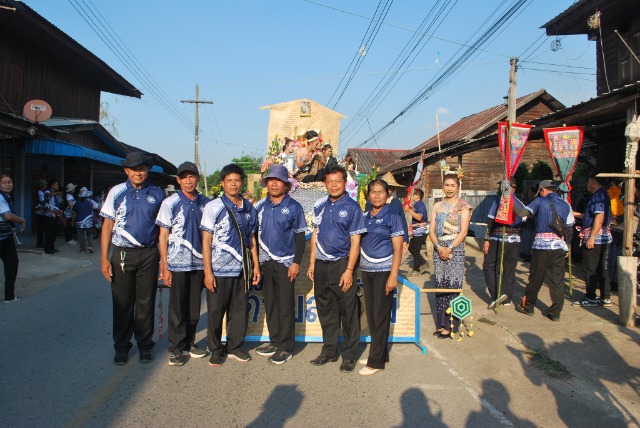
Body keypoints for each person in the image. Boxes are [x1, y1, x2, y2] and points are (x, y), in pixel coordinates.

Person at [100, 152, 164, 365]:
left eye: (142, 168)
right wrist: (104, 258)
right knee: (122, 303)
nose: (138, 172)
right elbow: (107, 226)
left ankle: (145, 345)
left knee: (146, 302)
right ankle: (121, 347)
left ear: (147, 170)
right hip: (122, 253)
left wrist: (164, 261)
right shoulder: (116, 192)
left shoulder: (157, 193)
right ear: (126, 171)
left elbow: (163, 230)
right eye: (134, 169)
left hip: (149, 254)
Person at [200, 163, 261, 367]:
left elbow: (251, 238)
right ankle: (216, 349)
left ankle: (235, 347)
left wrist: (256, 266)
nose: (233, 184)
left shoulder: (249, 207)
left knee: (239, 311)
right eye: (229, 181)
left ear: (242, 183)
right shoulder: (213, 207)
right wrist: (207, 272)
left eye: (237, 180)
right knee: (216, 312)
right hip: (218, 270)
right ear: (223, 183)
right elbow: (206, 241)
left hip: (242, 270)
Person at [307, 165, 366, 373]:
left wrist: (349, 270)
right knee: (326, 310)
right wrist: (312, 262)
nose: (333, 185)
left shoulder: (352, 207)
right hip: (321, 265)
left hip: (342, 264)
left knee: (348, 311)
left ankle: (349, 355)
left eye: (337, 181)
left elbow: (356, 241)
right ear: (325, 183)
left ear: (345, 183)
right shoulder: (320, 205)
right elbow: (315, 234)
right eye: (330, 181)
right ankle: (329, 351)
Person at [156, 161, 209, 366]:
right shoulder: (170, 203)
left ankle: (189, 342)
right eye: (184, 177)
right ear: (178, 180)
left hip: (199, 264)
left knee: (194, 306)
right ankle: (176, 347)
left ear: (197, 178)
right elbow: (163, 236)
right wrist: (165, 265)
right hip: (177, 263)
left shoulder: (206, 203)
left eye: (192, 176)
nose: (188, 180)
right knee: (178, 306)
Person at [254, 164, 306, 365]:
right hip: (266, 262)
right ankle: (275, 341)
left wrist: (296, 262)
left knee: (285, 306)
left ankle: (286, 347)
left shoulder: (294, 207)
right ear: (266, 183)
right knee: (271, 303)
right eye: (271, 180)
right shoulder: (260, 206)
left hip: (285, 263)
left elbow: (300, 237)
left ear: (286, 185)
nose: (274, 184)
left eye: (278, 181)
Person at [359, 179, 403, 376]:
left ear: (387, 195)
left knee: (380, 315)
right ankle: (380, 354)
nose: (376, 196)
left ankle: (375, 362)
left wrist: (393, 275)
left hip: (384, 272)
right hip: (367, 271)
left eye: (380, 192)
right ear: (368, 195)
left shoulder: (393, 217)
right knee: (371, 315)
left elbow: (398, 249)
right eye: (373, 192)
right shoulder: (364, 216)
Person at [513, 180, 574, 321]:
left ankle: (528, 306)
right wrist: (567, 246)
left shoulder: (540, 201)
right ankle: (555, 313)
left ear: (543, 190)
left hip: (541, 247)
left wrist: (509, 201)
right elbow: (570, 228)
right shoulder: (566, 204)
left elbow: (521, 213)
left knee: (536, 278)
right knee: (557, 281)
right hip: (559, 246)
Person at [428, 173, 472, 338]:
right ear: (442, 187)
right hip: (439, 249)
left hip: (456, 249)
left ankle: (451, 325)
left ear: (458, 188)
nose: (449, 188)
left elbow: (464, 231)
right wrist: (439, 247)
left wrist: (450, 248)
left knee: (453, 285)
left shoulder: (463, 207)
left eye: (453, 185)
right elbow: (432, 230)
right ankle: (441, 323)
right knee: (440, 284)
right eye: (447, 185)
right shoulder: (437, 206)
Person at [482, 177, 525, 309]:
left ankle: (500, 295)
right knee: (505, 268)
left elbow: (491, 221)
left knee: (491, 265)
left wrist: (487, 238)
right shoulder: (518, 203)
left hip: (502, 238)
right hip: (507, 239)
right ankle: (502, 296)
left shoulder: (501, 201)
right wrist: (487, 239)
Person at [572, 174, 612, 307]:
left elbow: (599, 218)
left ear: (593, 181)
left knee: (589, 268)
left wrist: (592, 237)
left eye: (588, 181)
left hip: (596, 237)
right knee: (600, 267)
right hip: (601, 236)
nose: (587, 183)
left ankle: (590, 297)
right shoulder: (601, 195)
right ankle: (605, 296)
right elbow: (589, 216)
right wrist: (574, 213)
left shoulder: (598, 196)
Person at [0, 175, 26, 302]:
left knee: (12, 263)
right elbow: (8, 216)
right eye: (4, 182)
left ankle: (9, 296)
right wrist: (22, 220)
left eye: (9, 182)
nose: (7, 185)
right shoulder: (0, 197)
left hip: (6, 236)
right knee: (11, 264)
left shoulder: (7, 197)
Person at [405, 188, 428, 273]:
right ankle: (423, 263)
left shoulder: (420, 204)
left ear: (418, 196)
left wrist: (409, 211)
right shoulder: (417, 204)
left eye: (414, 194)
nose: (413, 196)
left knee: (415, 250)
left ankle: (417, 269)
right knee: (411, 248)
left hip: (420, 230)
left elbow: (419, 217)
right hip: (416, 230)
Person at [73, 187, 98, 254]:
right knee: (89, 234)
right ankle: (90, 246)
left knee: (80, 235)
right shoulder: (90, 201)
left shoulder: (77, 202)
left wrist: (72, 221)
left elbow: (74, 212)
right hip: (89, 221)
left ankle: (82, 249)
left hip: (79, 221)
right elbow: (97, 207)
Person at [43, 178, 62, 255]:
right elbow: (47, 195)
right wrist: (56, 193)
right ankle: (47, 248)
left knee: (54, 233)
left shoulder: (55, 195)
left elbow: (55, 204)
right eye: (56, 184)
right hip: (49, 216)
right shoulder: (48, 192)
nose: (57, 186)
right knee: (49, 233)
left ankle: (52, 247)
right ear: (52, 185)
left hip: (55, 215)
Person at [35, 179, 47, 248]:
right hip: (40, 213)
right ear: (42, 186)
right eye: (45, 185)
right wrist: (46, 209)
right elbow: (43, 202)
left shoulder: (42, 192)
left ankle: (40, 242)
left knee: (41, 229)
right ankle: (40, 243)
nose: (46, 186)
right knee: (40, 229)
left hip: (41, 213)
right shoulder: (40, 193)